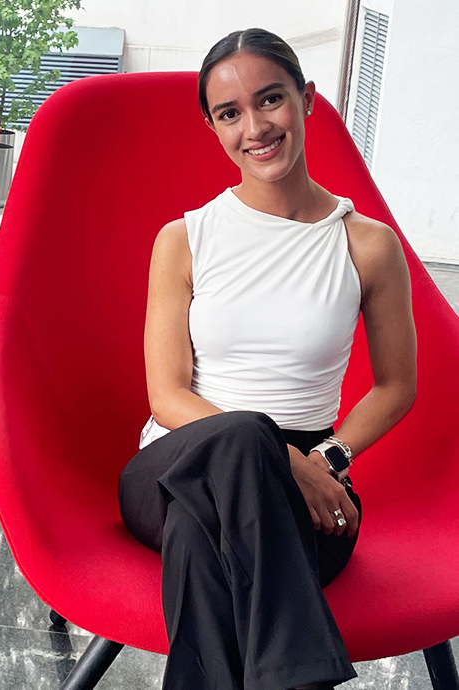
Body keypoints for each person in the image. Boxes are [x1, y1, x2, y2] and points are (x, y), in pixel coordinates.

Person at [118, 27, 417, 690]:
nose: (255, 126)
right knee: (244, 431)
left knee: (202, 544)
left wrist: (326, 462)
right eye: (230, 114)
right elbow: (167, 396)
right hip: (176, 461)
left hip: (309, 480)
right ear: (214, 127)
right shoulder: (184, 240)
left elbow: (397, 386)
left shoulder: (368, 246)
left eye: (271, 100)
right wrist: (287, 463)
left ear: (307, 100)